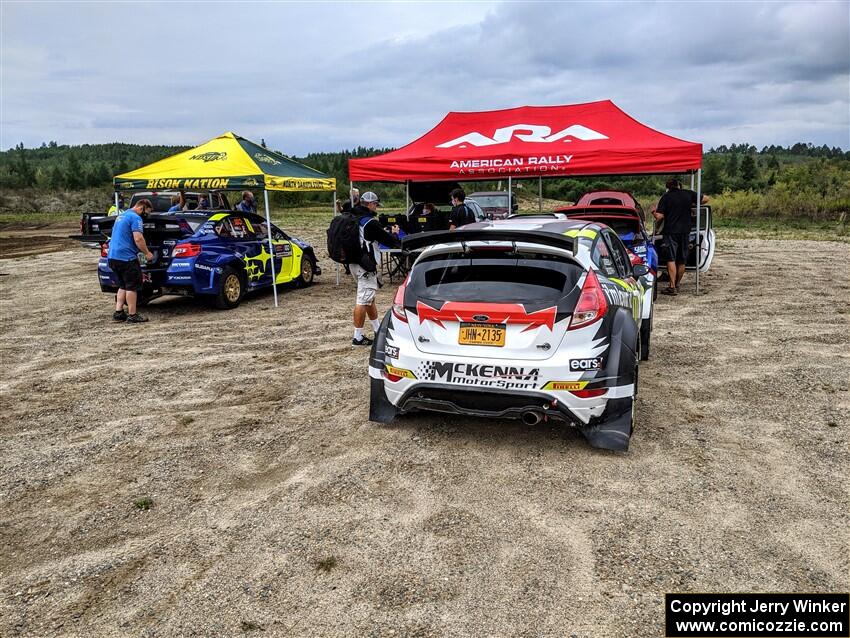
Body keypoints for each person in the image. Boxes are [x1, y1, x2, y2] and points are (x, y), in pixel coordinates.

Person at [349, 191, 400, 346]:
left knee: (368, 298)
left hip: (354, 262)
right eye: (376, 204)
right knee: (362, 300)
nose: (377, 207)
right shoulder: (370, 222)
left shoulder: (353, 216)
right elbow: (390, 242)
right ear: (370, 204)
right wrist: (395, 233)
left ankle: (378, 329)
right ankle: (357, 337)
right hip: (366, 264)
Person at [652, 178, 710, 295]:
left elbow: (659, 217)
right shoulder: (688, 194)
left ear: (668, 187)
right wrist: (692, 204)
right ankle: (677, 284)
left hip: (670, 232)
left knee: (671, 258)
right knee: (681, 260)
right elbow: (706, 199)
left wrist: (653, 211)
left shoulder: (666, 197)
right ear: (680, 186)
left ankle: (672, 286)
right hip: (685, 232)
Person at [107, 199, 154, 323]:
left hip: (113, 256)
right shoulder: (135, 218)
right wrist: (147, 253)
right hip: (126, 258)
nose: (145, 216)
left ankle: (119, 312)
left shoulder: (121, 216)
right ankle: (132, 315)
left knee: (123, 285)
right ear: (141, 208)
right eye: (146, 213)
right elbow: (138, 238)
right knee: (132, 287)